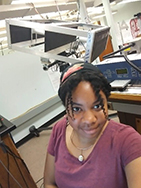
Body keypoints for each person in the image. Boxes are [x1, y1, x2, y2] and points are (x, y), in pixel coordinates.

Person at [44, 62, 141, 188]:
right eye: (77, 109)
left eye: (97, 106)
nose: (89, 119)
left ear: (107, 103)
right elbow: (49, 183)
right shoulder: (59, 130)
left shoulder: (128, 141)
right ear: (66, 110)